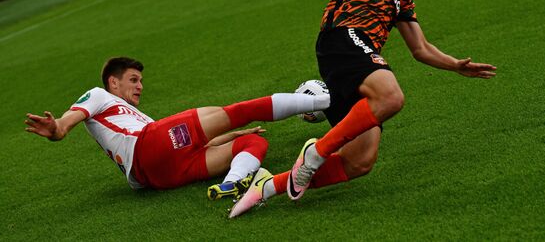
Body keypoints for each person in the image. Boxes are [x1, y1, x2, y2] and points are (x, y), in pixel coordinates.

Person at [229, 0, 497, 218]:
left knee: (360, 161)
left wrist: (456, 65)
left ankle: (267, 186)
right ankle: (315, 153)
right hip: (341, 38)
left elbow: (420, 48)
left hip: (358, 58)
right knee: (391, 96)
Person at [25, 57, 330, 199]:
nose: (140, 86)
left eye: (141, 81)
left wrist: (232, 137)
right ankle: (330, 99)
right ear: (113, 82)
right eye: (134, 79)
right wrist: (56, 128)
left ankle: (232, 184)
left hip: (161, 175)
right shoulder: (98, 94)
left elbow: (186, 145)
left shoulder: (137, 118)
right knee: (240, 112)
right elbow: (65, 125)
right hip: (147, 148)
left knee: (252, 143)